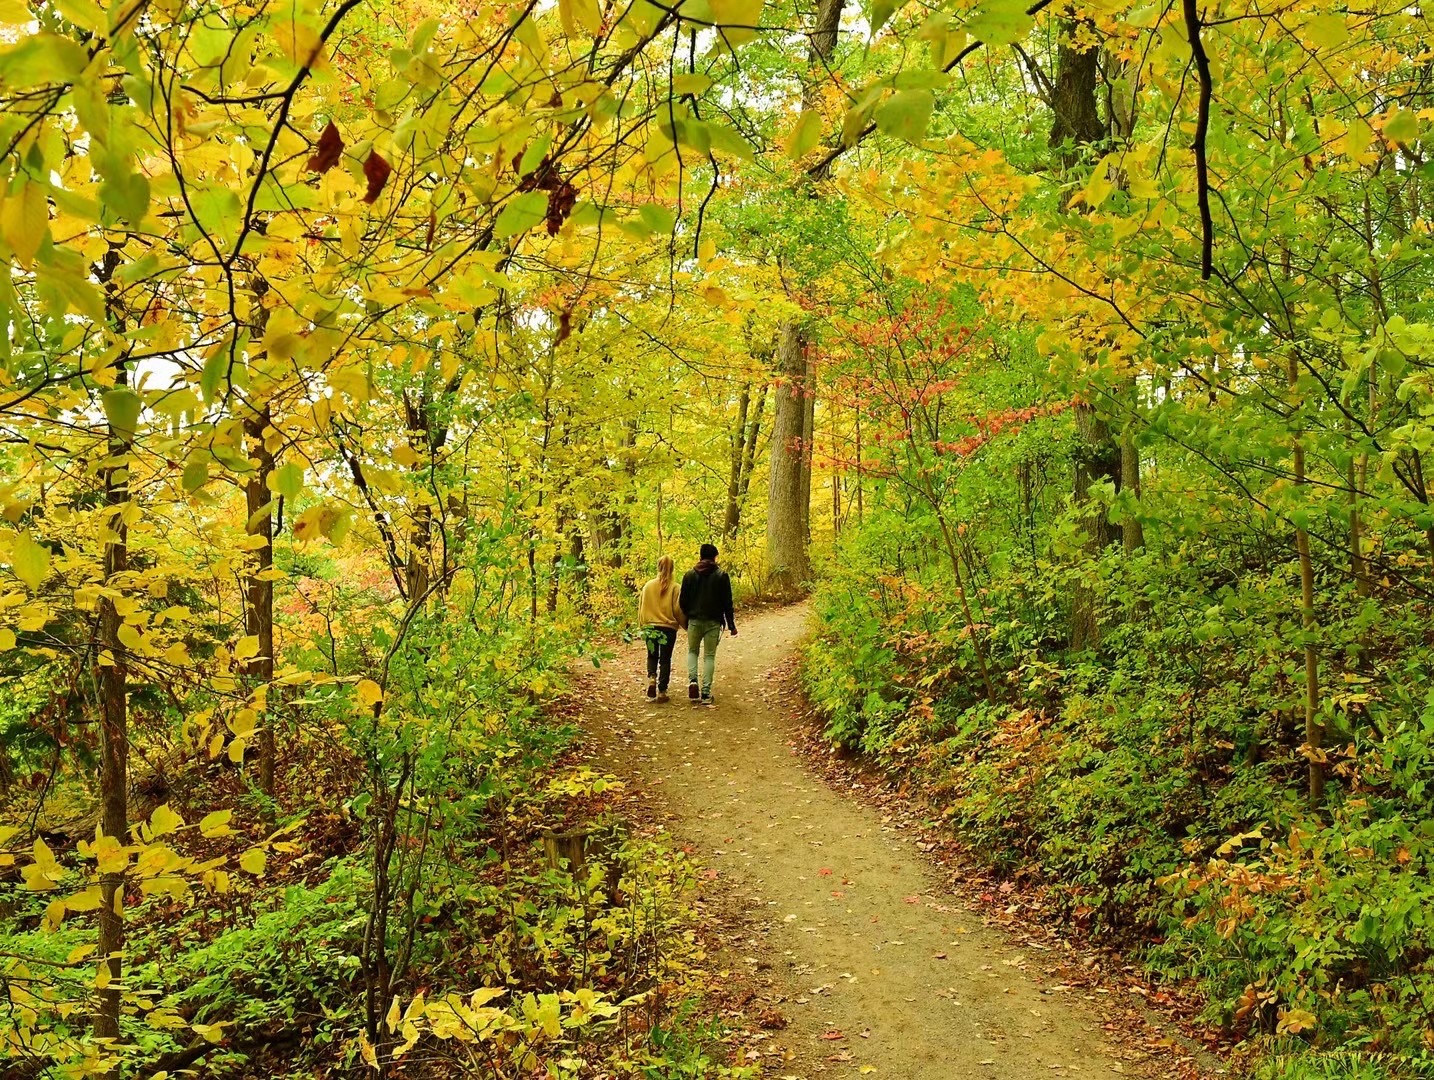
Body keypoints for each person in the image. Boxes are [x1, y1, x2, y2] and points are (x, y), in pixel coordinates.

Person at [678, 543, 737, 706]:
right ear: (714, 557)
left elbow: (682, 601)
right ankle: (705, 693)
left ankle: (692, 682)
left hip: (694, 621)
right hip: (713, 621)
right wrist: (731, 625)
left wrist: (689, 614)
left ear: (700, 556)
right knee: (709, 656)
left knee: (692, 651)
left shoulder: (689, 575)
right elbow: (727, 603)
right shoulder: (722, 576)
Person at [637, 555, 685, 702]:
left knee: (652, 655)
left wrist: (642, 626)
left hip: (650, 626)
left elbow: (641, 608)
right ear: (672, 569)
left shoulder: (647, 586)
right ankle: (662, 691)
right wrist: (686, 625)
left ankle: (652, 678)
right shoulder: (675, 587)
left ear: (658, 567)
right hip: (668, 628)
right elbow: (678, 610)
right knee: (665, 659)